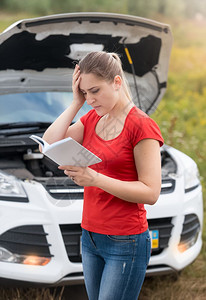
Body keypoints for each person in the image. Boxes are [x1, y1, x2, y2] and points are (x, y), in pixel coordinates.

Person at [42, 51, 164, 300]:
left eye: (95, 91)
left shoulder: (141, 125)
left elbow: (151, 192)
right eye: (85, 93)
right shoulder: (91, 119)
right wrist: (75, 102)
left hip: (126, 241)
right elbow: (49, 142)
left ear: (117, 82)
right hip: (90, 237)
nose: (90, 99)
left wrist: (95, 179)